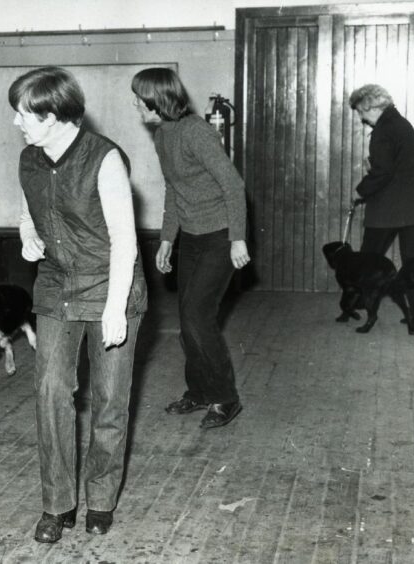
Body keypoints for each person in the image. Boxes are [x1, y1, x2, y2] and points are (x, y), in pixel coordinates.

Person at [9, 66, 148, 543]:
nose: (16, 123)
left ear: (52, 116)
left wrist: (115, 308)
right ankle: (57, 505)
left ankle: (102, 500)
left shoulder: (104, 159)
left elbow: (125, 240)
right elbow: (28, 213)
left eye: (23, 114)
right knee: (51, 391)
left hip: (111, 285)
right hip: (55, 287)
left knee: (110, 399)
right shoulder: (29, 159)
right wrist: (29, 237)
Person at [131, 68, 249, 429]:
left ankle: (226, 398)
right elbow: (174, 189)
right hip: (193, 236)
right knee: (187, 323)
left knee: (198, 317)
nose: (135, 104)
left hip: (220, 235)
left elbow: (233, 185)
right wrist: (168, 238)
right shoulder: (163, 134)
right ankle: (199, 391)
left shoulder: (196, 131)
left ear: (156, 102)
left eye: (139, 99)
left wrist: (238, 237)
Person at [349, 84, 414, 261]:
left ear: (371, 107)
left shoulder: (383, 130)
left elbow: (383, 172)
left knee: (366, 265)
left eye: (360, 112)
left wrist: (359, 191)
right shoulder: (402, 124)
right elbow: (399, 163)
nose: (361, 118)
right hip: (413, 207)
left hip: (387, 208)